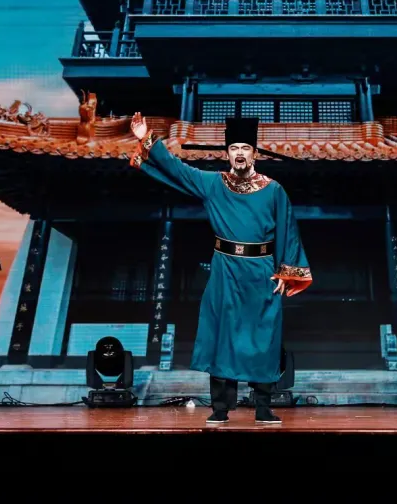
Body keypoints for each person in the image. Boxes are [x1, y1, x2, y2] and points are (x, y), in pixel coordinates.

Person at [129, 113, 311, 425]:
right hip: (225, 269)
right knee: (221, 335)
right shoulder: (214, 184)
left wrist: (286, 271)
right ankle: (221, 407)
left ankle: (263, 406)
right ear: (227, 154)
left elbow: (287, 229)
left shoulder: (273, 190)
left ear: (254, 153)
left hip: (261, 271)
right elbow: (177, 169)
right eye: (234, 148)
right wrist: (147, 138)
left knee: (263, 337)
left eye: (245, 148)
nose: (239, 153)